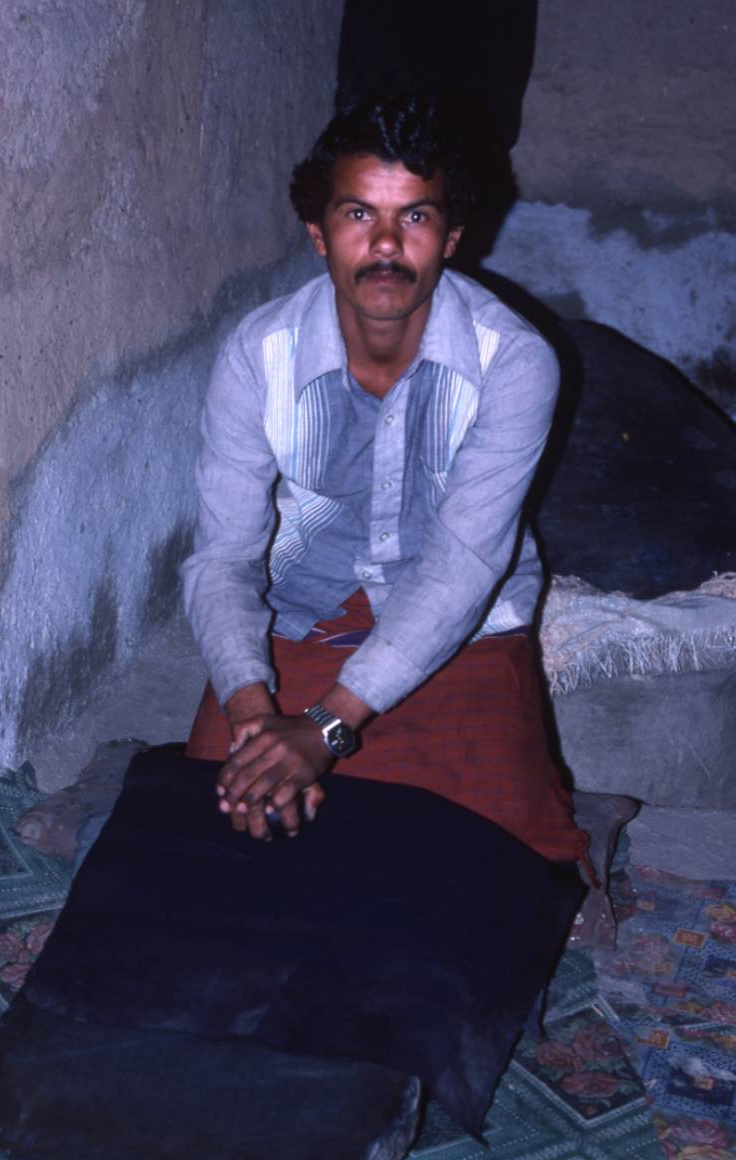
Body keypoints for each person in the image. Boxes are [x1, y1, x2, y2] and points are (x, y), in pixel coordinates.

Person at [181, 97, 586, 866]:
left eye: (416, 217)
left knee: (498, 861)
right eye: (358, 213)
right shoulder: (257, 354)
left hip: (459, 627)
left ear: (451, 238)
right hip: (300, 614)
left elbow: (464, 563)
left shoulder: (512, 360)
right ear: (318, 233)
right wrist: (252, 711)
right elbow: (222, 556)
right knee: (217, 830)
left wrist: (324, 728)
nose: (386, 245)